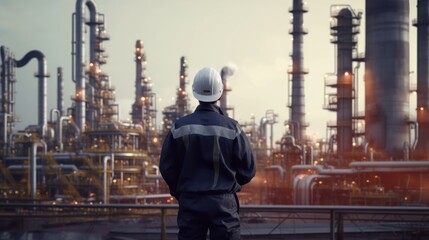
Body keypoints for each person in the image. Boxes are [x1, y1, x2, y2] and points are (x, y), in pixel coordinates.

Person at [159, 67, 256, 240]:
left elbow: (167, 167)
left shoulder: (179, 128)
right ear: (219, 95)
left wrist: (180, 191)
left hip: (190, 201)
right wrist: (230, 185)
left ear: (195, 93)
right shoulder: (232, 128)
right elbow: (248, 169)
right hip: (223, 202)